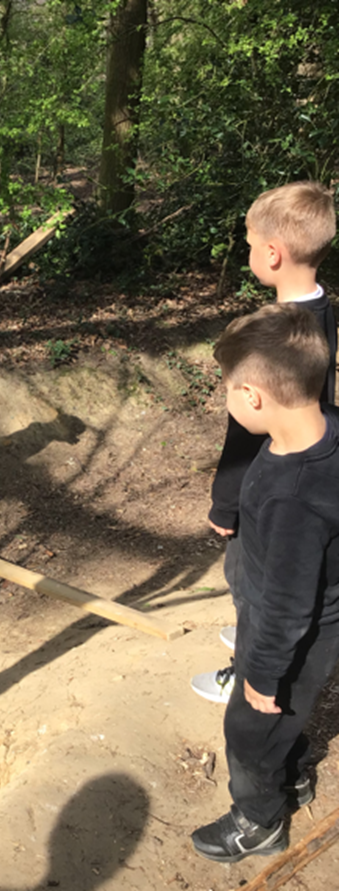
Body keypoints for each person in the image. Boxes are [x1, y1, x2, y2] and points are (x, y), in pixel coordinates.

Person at [191, 302, 339, 863]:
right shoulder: (327, 432)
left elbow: (287, 602)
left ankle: (258, 821)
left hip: (289, 631)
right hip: (312, 621)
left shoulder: (291, 494)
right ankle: (292, 776)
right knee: (290, 713)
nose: (228, 401)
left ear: (252, 396)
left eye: (228, 390)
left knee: (251, 728)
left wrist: (262, 673)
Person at [192, 181, 337, 703]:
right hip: (297, 467)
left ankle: (249, 667)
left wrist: (225, 502)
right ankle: (251, 637)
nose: (248, 252)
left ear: (272, 254)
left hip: (268, 482)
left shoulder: (285, 335)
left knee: (251, 580)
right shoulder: (318, 313)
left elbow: (242, 437)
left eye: (250, 244)